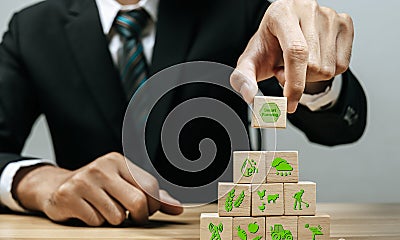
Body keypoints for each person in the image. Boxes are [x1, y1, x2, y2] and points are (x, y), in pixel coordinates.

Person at [0, 0, 367, 226]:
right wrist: (39, 182)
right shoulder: (31, 29)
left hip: (212, 238)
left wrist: (316, 75)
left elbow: (339, 127)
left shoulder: (237, 10)